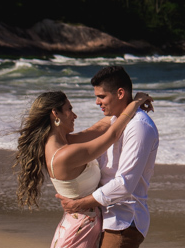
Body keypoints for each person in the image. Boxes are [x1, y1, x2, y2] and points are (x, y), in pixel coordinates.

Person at [14, 87, 152, 248]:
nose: (74, 115)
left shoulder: (65, 143)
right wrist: (136, 102)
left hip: (81, 228)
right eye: (69, 109)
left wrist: (127, 105)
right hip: (79, 233)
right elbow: (112, 135)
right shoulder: (65, 154)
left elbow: (100, 128)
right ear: (55, 114)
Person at [56, 66, 160, 248]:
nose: (97, 102)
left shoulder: (139, 127)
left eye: (101, 96)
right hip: (105, 217)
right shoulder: (115, 122)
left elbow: (124, 184)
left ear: (120, 93)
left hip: (124, 220)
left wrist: (79, 204)